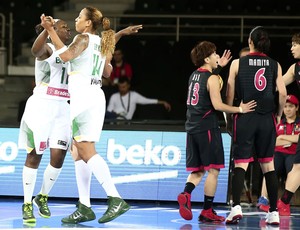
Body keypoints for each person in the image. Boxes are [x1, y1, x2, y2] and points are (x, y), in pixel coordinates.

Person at [40, 6, 140, 224]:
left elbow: (65, 55)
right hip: (96, 96)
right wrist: (120, 34)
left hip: (83, 98)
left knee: (85, 149)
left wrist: (50, 30)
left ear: (87, 24)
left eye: (78, 17)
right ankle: (84, 206)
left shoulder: (82, 38)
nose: (75, 20)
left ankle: (115, 198)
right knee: (77, 151)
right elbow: (107, 72)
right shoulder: (102, 42)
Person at [177, 41, 256, 223]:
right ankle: (207, 210)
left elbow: (206, 85)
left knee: (198, 170)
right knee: (213, 170)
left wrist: (219, 67)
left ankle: (186, 193)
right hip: (207, 128)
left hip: (192, 128)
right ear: (206, 58)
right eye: (214, 54)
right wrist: (240, 109)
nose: (217, 56)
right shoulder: (211, 79)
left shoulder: (193, 75)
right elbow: (218, 105)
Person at [225, 26, 287, 225]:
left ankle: (235, 208)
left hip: (245, 116)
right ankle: (274, 211)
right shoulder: (275, 64)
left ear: (250, 41)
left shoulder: (237, 63)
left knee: (240, 164)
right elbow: (283, 93)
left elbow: (229, 93)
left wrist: (233, 111)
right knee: (268, 165)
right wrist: (277, 115)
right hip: (266, 118)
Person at [19, 19, 72, 224]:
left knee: (58, 157)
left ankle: (41, 196)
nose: (68, 29)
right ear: (53, 31)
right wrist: (46, 30)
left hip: (63, 106)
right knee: (35, 154)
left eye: (68, 26)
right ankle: (26, 203)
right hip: (42, 104)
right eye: (63, 27)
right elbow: (35, 51)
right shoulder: (48, 47)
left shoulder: (70, 50)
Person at [257, 94, 300, 212]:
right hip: (279, 153)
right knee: (268, 167)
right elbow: (272, 142)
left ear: (296, 108)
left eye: (290, 106)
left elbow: (298, 139)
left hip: (293, 154)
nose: (287, 109)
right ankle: (263, 199)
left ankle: (285, 200)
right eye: (285, 106)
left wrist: (282, 137)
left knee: (293, 172)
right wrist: (289, 139)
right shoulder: (279, 123)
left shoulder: (299, 123)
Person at [105, 76, 171, 120]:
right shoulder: (114, 96)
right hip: (114, 123)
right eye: (120, 87)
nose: (122, 89)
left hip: (126, 124)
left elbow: (147, 101)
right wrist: (115, 114)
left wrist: (162, 102)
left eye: (124, 87)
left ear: (128, 86)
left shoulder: (134, 96)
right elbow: (108, 112)